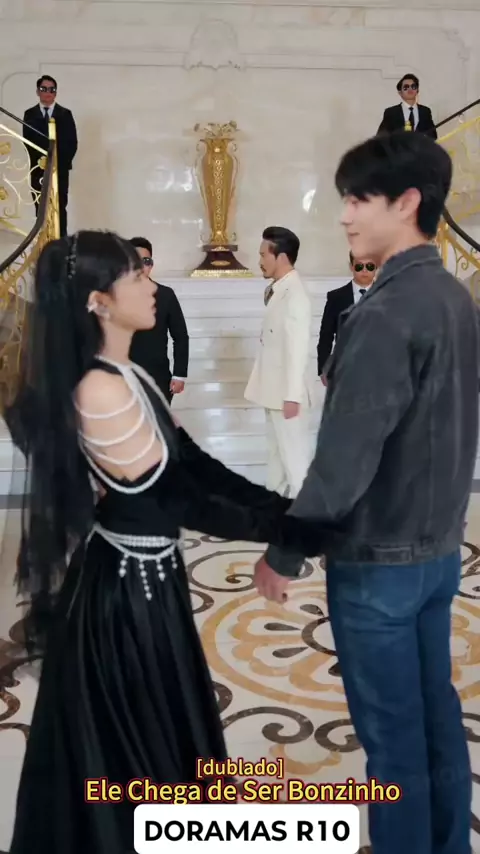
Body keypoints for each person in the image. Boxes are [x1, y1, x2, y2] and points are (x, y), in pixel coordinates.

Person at [5, 230, 320, 854]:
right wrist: (295, 529)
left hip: (148, 581)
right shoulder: (99, 388)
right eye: (137, 276)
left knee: (163, 742)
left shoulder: (127, 375)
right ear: (98, 300)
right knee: (136, 753)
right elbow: (179, 499)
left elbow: (199, 468)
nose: (151, 285)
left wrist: (289, 514)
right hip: (124, 600)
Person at [254, 131, 478, 854]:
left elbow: (345, 459)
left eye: (358, 199)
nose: (345, 215)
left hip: (380, 562)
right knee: (435, 715)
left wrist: (284, 552)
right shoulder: (453, 296)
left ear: (407, 202)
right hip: (438, 551)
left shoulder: (384, 313)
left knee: (393, 742)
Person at [244, 226, 313, 497]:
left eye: (263, 255)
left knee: (296, 465)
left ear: (281, 257)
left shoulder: (295, 295)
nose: (259, 261)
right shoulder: (280, 289)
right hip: (274, 393)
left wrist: (292, 396)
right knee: (277, 462)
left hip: (286, 396)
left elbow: (297, 350)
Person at [129, 236, 189, 403]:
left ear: (151, 264)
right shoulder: (114, 295)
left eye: (146, 261)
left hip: (158, 378)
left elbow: (180, 336)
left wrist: (179, 374)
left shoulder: (165, 295)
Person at [22, 75, 78, 235]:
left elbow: (72, 143)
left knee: (60, 207)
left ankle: (61, 243)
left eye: (52, 89)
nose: (48, 92)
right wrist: (41, 162)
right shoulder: (30, 114)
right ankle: (43, 242)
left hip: (60, 170)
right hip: (38, 169)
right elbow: (27, 141)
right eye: (44, 89)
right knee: (40, 207)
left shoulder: (65, 114)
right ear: (38, 91)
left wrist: (57, 163)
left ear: (56, 92)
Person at [317, 251, 376, 384]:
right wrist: (323, 368)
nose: (365, 271)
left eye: (370, 266)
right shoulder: (336, 298)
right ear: (351, 267)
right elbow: (326, 336)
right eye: (359, 266)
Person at [377, 74, 437, 139]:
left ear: (417, 91)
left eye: (413, 86)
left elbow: (433, 136)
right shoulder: (391, 112)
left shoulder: (425, 111)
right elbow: (380, 137)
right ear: (400, 92)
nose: (410, 89)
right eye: (406, 87)